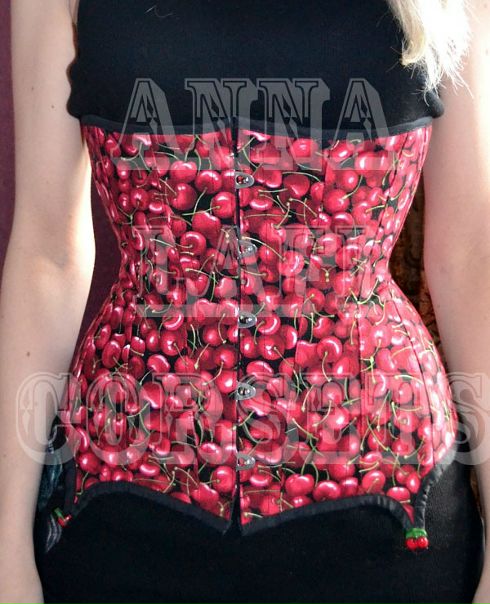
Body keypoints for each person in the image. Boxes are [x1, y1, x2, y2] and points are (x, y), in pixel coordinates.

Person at [1, 0, 489, 602]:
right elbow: (47, 254)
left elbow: (472, 254)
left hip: (391, 517)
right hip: (122, 509)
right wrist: (4, 548)